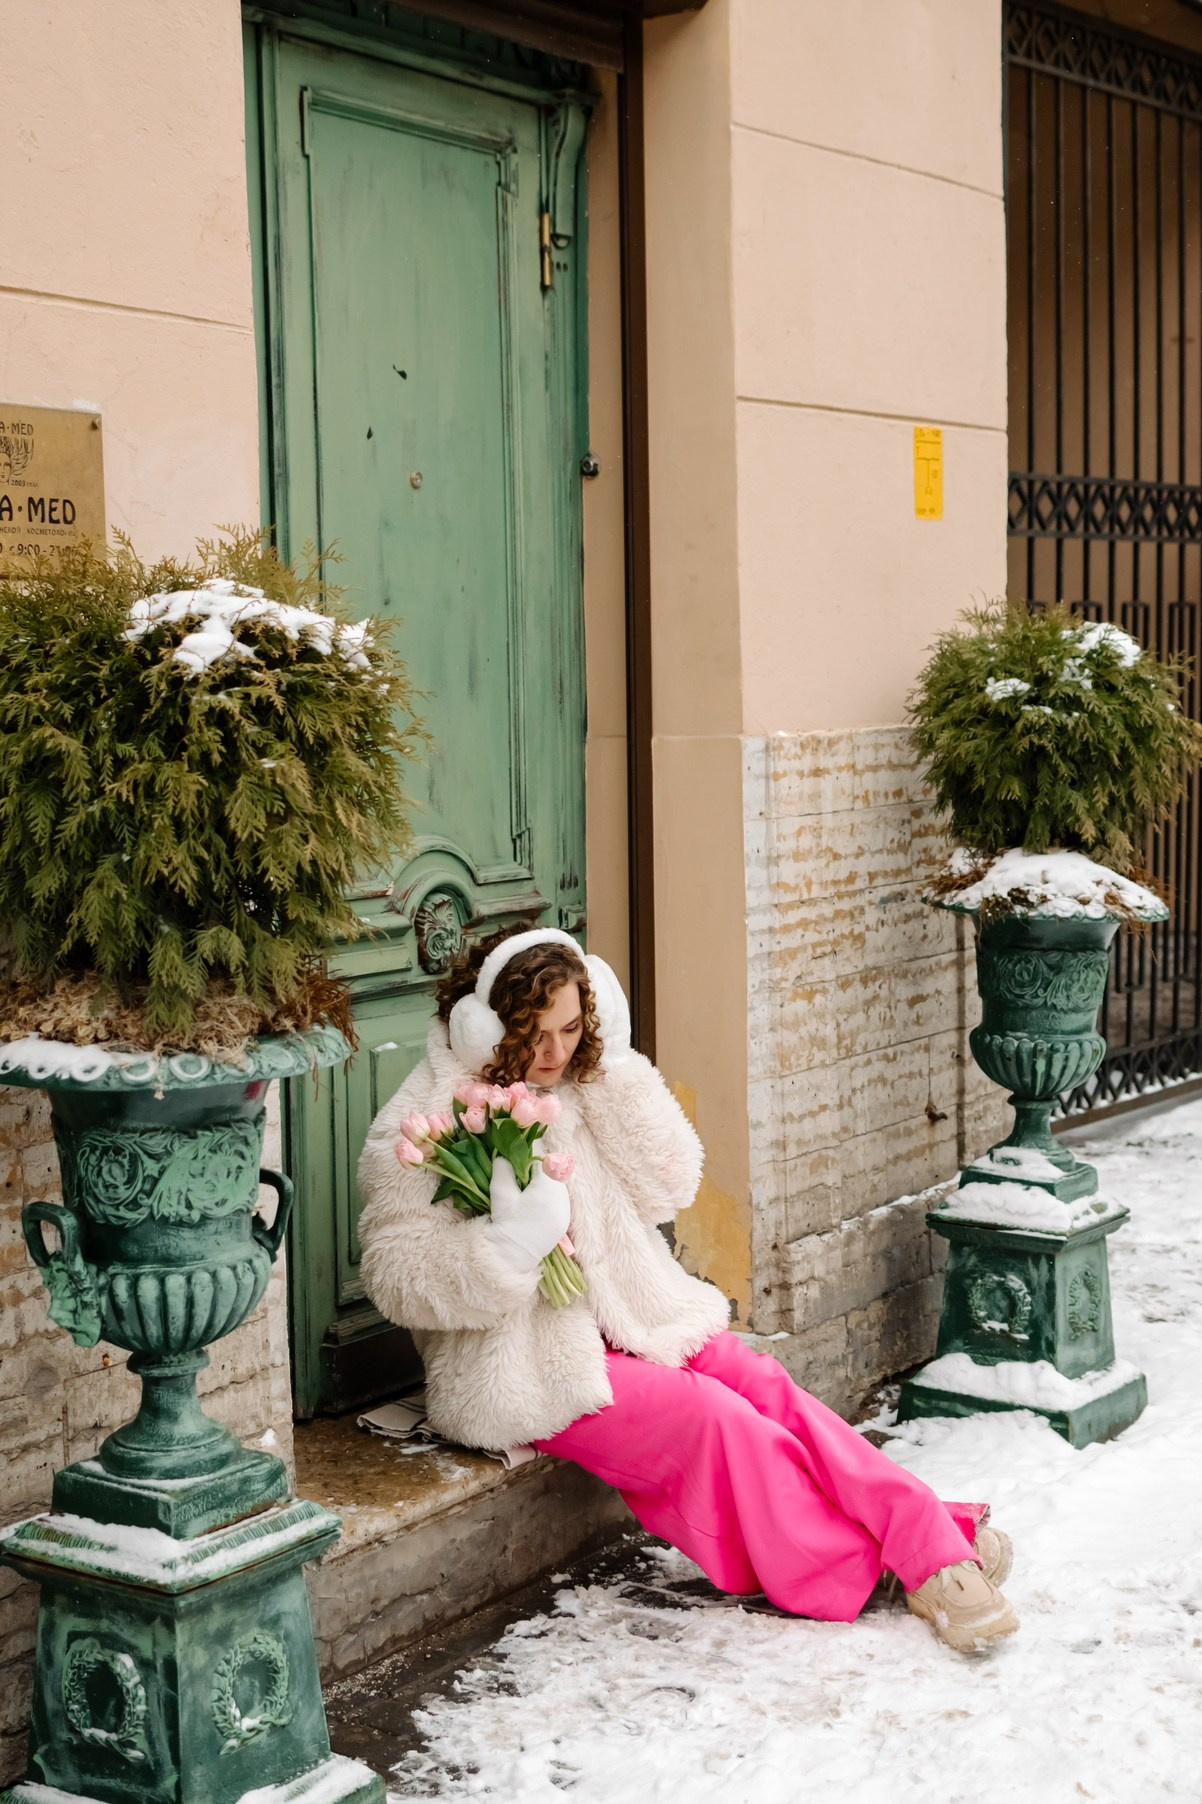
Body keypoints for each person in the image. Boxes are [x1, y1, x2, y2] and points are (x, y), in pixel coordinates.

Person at [357, 925, 1019, 1654]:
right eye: (532, 1034)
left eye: (572, 1028)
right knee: (712, 1418)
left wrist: (615, 1070)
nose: (553, 1054)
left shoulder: (582, 1080)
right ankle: (886, 1569)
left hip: (635, 1315)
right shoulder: (427, 1112)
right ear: (484, 1025)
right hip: (525, 1364)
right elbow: (393, 1270)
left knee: (759, 1382)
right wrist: (506, 1246)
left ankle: (924, 1535)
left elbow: (670, 1183)